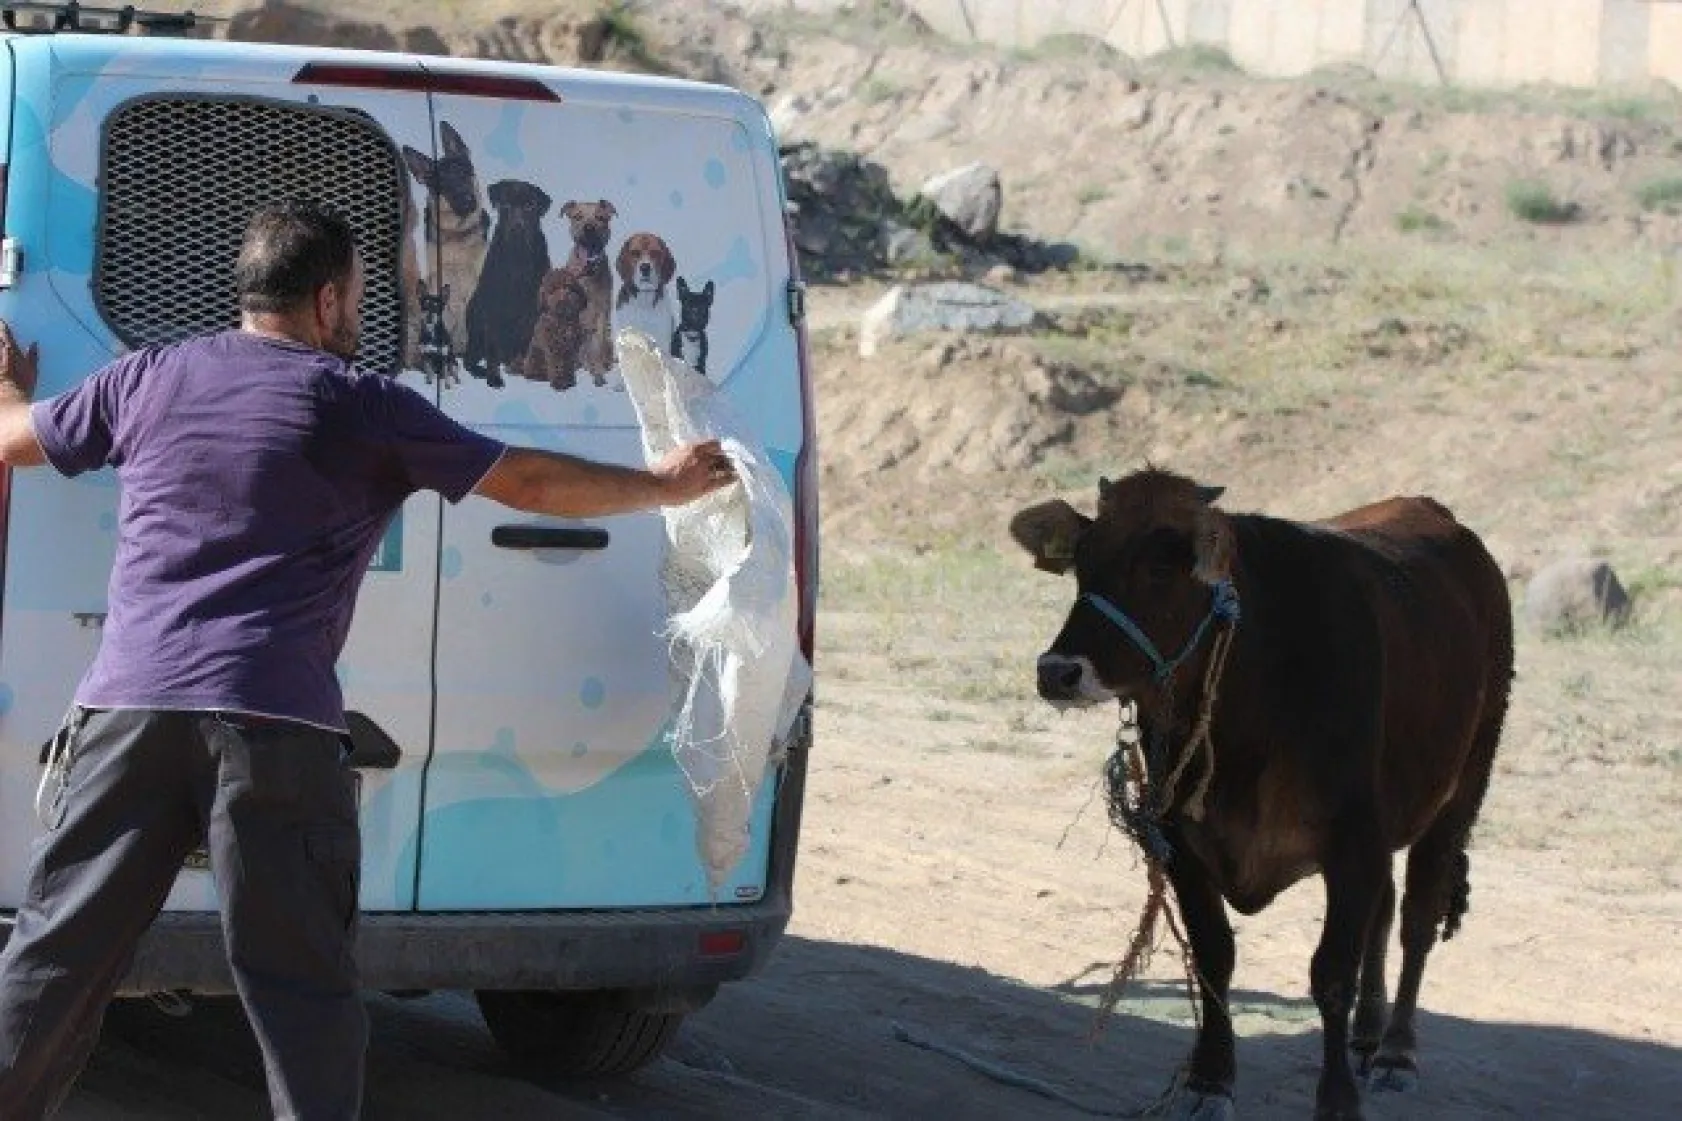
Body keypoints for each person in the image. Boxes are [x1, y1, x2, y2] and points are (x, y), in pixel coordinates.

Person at [0, 199, 737, 1120]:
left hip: (127, 716)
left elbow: (13, 442)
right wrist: (660, 485)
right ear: (324, 299)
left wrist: (7, 391)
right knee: (301, 995)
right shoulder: (365, 407)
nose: (363, 311)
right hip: (275, 728)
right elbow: (534, 482)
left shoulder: (150, 377)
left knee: (53, 960)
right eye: (359, 293)